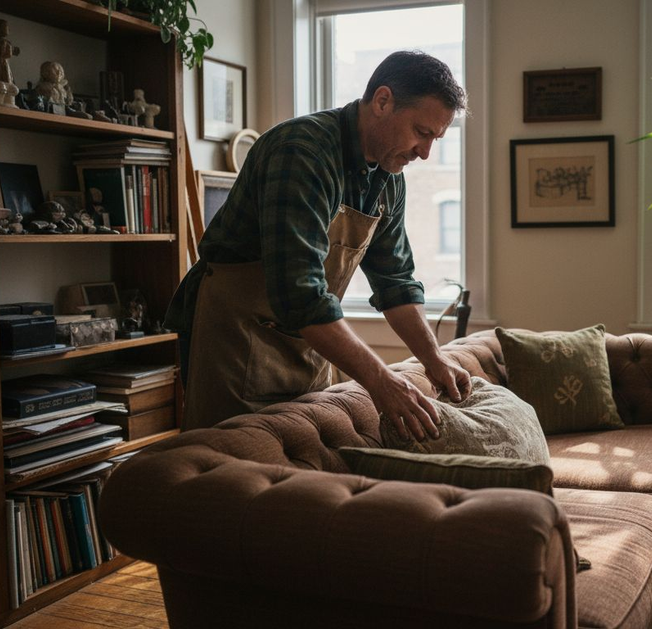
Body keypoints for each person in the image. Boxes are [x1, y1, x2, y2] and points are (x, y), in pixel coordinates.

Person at [165, 50, 472, 440]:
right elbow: (301, 294)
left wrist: (434, 359)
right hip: (237, 342)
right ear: (382, 101)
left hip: (310, 344)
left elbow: (395, 282)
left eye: (436, 138)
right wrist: (382, 382)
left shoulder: (390, 176)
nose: (425, 152)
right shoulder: (301, 152)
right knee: (233, 474)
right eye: (422, 132)